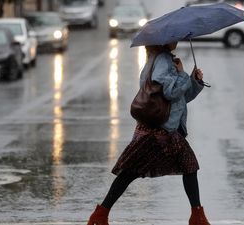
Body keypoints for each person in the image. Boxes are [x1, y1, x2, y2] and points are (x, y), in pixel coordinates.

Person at [87, 42, 210, 225]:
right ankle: (100, 214)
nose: (176, 40)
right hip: (159, 130)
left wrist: (194, 81)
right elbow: (170, 93)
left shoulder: (162, 59)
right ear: (163, 41)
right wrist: (183, 74)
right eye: (173, 37)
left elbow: (181, 98)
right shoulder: (162, 61)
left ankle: (197, 216)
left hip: (162, 127)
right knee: (133, 172)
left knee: (184, 165)